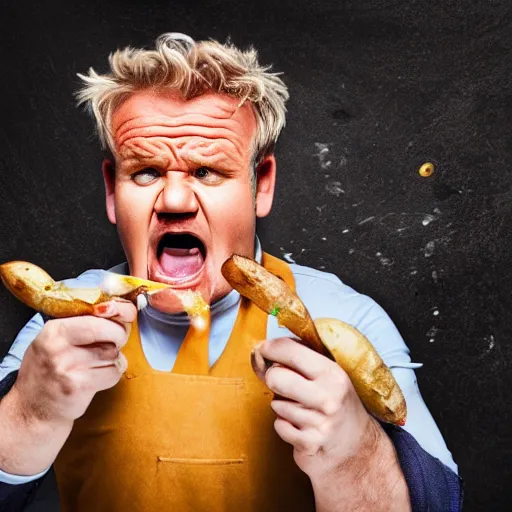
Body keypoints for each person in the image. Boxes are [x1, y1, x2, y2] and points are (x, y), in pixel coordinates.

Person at [0, 33, 461, 511]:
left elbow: (440, 504)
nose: (175, 202)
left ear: (261, 185)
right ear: (113, 193)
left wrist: (352, 452)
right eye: (145, 172)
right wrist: (30, 413)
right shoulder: (58, 331)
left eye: (206, 172)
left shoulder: (345, 320)